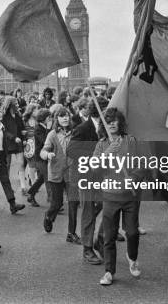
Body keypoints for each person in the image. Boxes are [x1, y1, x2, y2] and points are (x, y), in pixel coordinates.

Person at [92, 108, 147, 285]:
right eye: (108, 120)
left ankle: (132, 257)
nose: (112, 123)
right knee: (109, 236)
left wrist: (135, 177)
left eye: (115, 120)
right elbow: (93, 168)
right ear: (104, 124)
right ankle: (109, 271)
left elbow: (142, 164)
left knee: (132, 232)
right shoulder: (101, 144)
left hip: (130, 196)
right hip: (110, 196)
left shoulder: (131, 141)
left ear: (120, 122)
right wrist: (106, 154)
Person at [67, 96, 108, 265]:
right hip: (86, 176)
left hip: (103, 176)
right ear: (98, 110)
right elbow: (71, 150)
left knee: (109, 207)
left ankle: (99, 239)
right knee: (88, 212)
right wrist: (95, 155)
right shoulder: (83, 128)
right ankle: (87, 248)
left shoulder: (108, 128)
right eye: (106, 108)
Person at [41, 107, 80, 243]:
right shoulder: (52, 134)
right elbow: (43, 151)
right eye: (61, 116)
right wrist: (48, 154)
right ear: (57, 119)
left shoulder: (75, 133)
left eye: (67, 116)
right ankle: (49, 216)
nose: (65, 118)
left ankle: (71, 233)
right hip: (56, 173)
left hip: (71, 173)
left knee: (73, 203)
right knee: (57, 204)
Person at [0, 105, 26, 214]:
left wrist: (14, 138)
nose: (0, 113)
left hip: (1, 155)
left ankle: (13, 204)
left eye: (1, 111)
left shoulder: (2, 126)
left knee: (5, 180)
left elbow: (6, 134)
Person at [26, 109, 51, 207]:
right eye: (49, 117)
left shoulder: (44, 127)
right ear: (44, 118)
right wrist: (48, 129)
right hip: (39, 158)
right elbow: (45, 141)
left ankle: (31, 194)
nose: (50, 119)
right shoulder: (38, 128)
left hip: (45, 157)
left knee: (41, 178)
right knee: (48, 177)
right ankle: (52, 201)